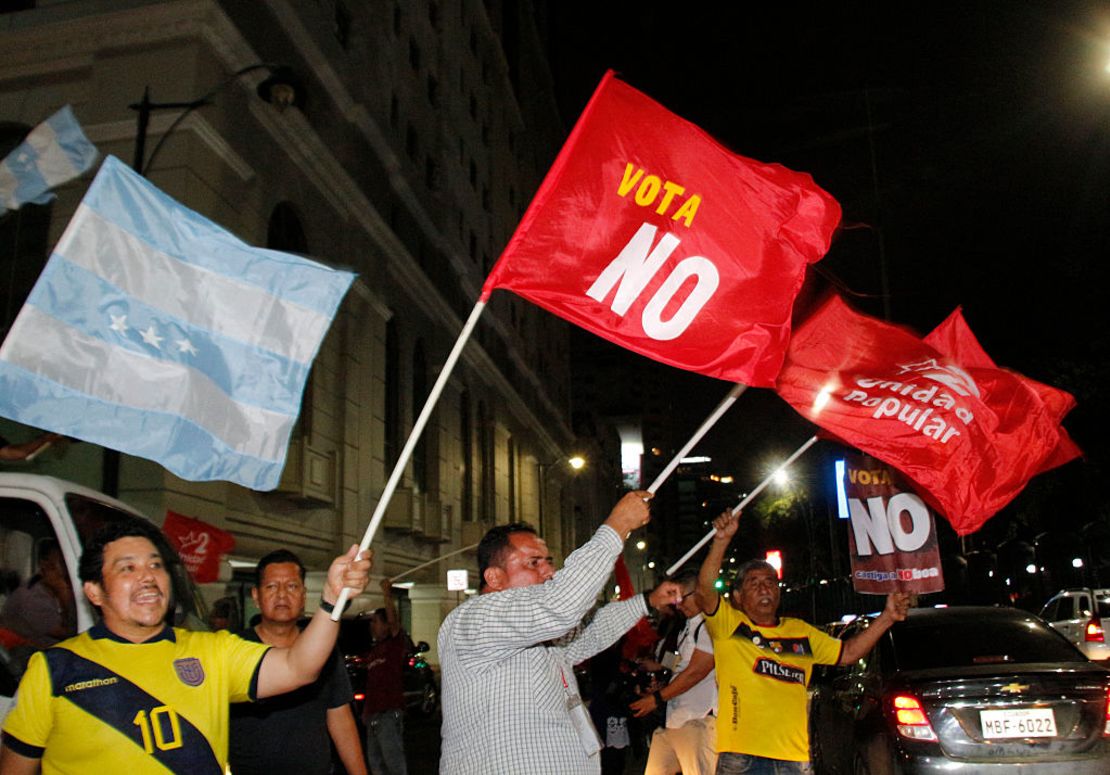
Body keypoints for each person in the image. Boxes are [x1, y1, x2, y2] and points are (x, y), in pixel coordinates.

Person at [0, 518, 370, 774]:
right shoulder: (54, 670)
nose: (147, 577)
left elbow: (298, 667)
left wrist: (331, 600)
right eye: (127, 568)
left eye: (156, 565)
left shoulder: (211, 651)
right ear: (94, 590)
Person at [438, 490, 684, 775]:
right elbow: (561, 603)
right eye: (533, 563)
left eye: (548, 561)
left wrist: (647, 601)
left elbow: (591, 634)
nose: (548, 572)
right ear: (494, 577)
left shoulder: (535, 632)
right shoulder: (474, 619)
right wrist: (617, 525)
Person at [695, 511, 911, 774]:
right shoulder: (730, 627)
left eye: (770, 582)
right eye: (754, 583)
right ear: (737, 597)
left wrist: (888, 617)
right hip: (743, 759)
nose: (765, 589)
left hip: (794, 760)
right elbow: (705, 591)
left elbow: (849, 653)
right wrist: (721, 541)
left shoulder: (801, 633)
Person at [229, 549, 367, 775]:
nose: (282, 595)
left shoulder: (323, 648)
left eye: (292, 586)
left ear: (304, 595)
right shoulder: (234, 648)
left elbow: (339, 716)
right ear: (255, 595)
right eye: (272, 587)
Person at [630, 571, 717, 775]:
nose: (678, 604)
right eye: (675, 599)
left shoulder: (710, 626)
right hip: (674, 719)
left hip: (697, 719)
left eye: (682, 597)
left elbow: (696, 672)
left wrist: (657, 698)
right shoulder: (686, 626)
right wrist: (661, 686)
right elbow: (681, 668)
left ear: (699, 593)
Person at [361, 577, 410, 775]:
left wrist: (387, 594)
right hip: (373, 714)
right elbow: (371, 685)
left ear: (385, 625)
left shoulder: (394, 644)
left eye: (375, 622)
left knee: (393, 761)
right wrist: (365, 711)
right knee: (375, 762)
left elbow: (394, 621)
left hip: (389, 713)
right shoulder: (374, 652)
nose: (372, 626)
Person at [0, 539, 76, 649]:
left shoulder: (49, 592)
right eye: (62, 562)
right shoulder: (31, 598)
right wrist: (62, 591)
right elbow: (70, 632)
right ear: (46, 565)